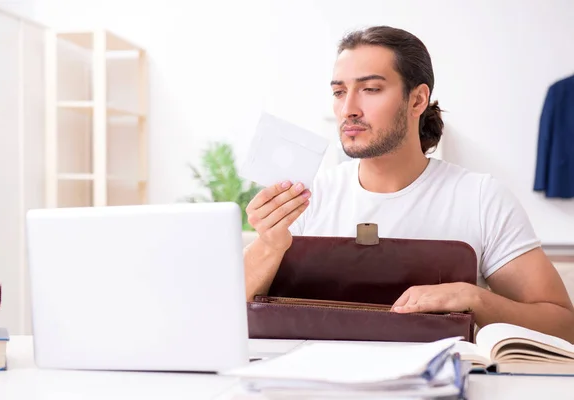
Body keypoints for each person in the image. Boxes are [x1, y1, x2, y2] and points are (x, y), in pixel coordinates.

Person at [243, 25, 574, 342]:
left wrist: (476, 299)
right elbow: (223, 314)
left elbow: (564, 326)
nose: (348, 109)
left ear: (417, 100)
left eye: (370, 89)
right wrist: (270, 245)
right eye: (339, 92)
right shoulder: (305, 198)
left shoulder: (481, 198)